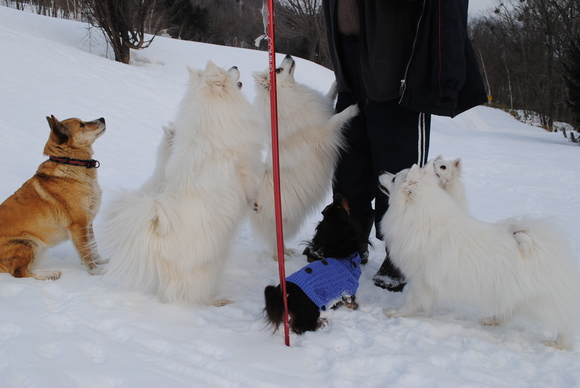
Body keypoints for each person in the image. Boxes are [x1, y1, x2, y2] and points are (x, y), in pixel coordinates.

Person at [307, 0, 488, 291]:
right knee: (349, 163)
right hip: (349, 58)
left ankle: (401, 252)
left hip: (395, 64)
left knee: (399, 169)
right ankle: (349, 242)